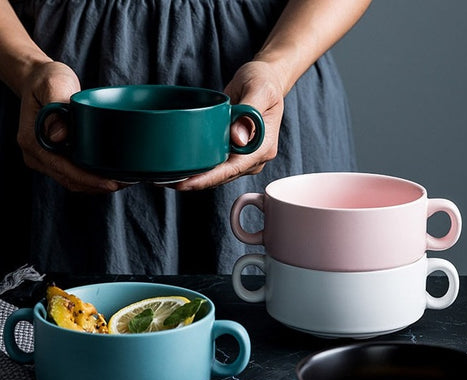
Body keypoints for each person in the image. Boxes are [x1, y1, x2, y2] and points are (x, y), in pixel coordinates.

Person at [0, 0, 372, 277]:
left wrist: (279, 66)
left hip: (268, 82)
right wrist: (25, 65)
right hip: (49, 85)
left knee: (282, 343)